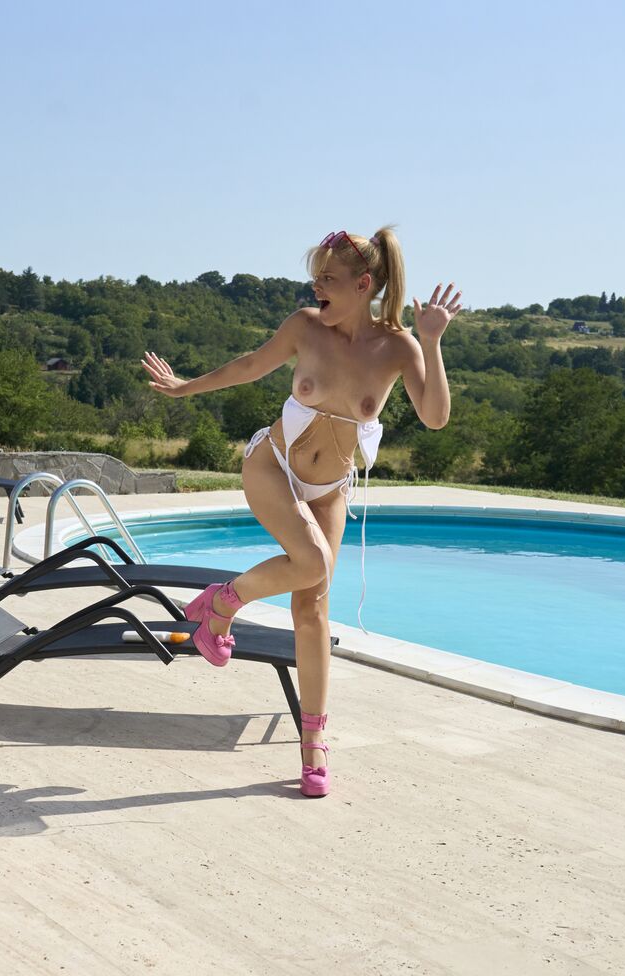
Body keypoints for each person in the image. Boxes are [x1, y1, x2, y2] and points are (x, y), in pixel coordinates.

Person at [141, 227, 462, 797]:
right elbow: (248, 365)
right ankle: (224, 602)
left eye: (328, 279)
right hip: (272, 468)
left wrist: (432, 341)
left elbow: (435, 417)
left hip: (330, 489)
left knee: (312, 607)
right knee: (313, 563)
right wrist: (184, 387)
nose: (316, 288)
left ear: (363, 285)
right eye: (315, 278)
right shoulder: (305, 326)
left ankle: (314, 744)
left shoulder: (398, 347)